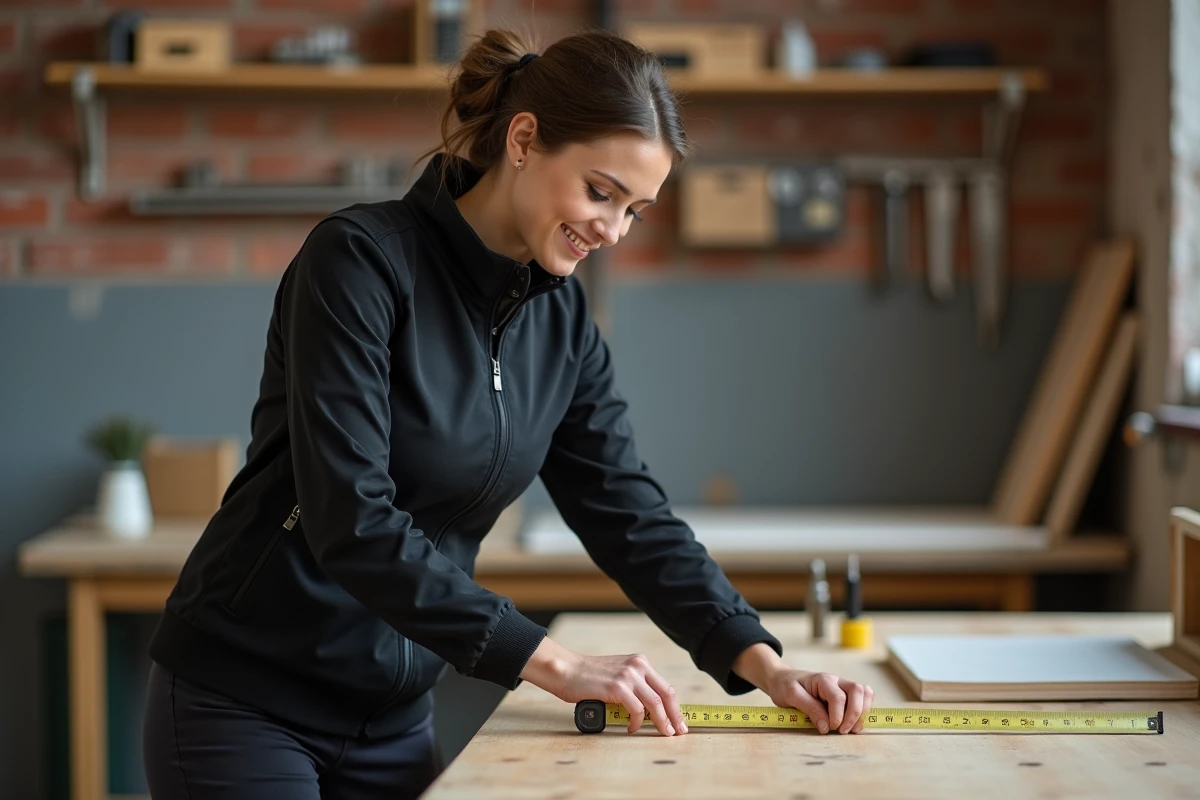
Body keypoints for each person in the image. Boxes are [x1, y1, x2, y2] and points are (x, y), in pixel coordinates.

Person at [141, 27, 874, 800]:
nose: (613, 230)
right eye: (600, 192)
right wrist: (554, 663)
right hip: (247, 706)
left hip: (393, 723)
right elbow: (351, 519)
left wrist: (763, 663)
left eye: (637, 210)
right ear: (523, 140)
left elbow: (627, 513)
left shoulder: (560, 322)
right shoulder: (358, 263)